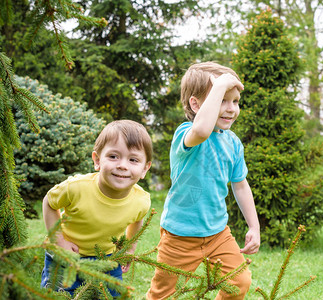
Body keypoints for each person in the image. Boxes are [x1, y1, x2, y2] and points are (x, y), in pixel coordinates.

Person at [147, 62, 260, 300]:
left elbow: (240, 184)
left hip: (218, 233)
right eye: (221, 99)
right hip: (179, 235)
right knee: (163, 295)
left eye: (235, 101)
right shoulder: (186, 133)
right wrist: (219, 84)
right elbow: (202, 130)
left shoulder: (233, 143)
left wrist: (254, 226)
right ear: (196, 104)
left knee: (239, 281)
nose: (231, 109)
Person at [41, 120, 153, 296]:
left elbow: (137, 219)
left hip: (107, 260)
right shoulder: (76, 188)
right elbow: (49, 201)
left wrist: (128, 249)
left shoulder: (141, 200)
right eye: (113, 156)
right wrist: (59, 240)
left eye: (133, 159)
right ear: (97, 160)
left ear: (145, 168)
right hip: (66, 257)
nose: (122, 165)